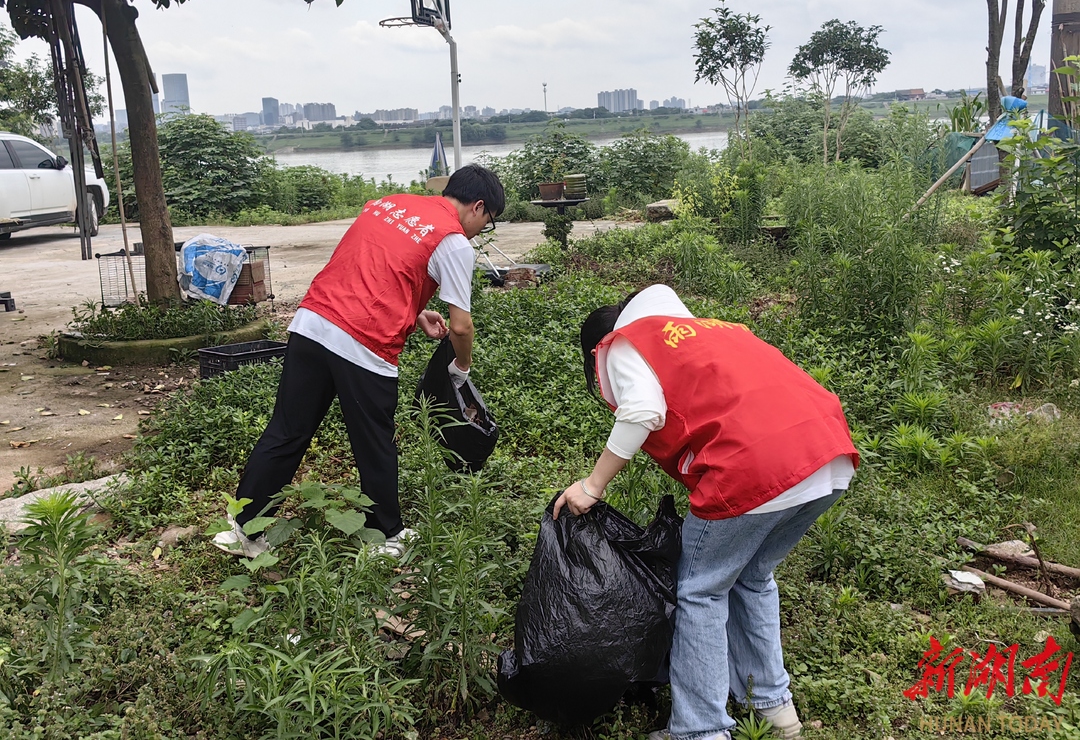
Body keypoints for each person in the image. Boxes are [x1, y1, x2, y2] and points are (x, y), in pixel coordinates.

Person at [554, 284, 859, 740]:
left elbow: (641, 410)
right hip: (828, 456)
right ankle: (773, 705)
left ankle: (701, 730)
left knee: (701, 590)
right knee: (753, 576)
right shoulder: (719, 331)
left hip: (754, 468)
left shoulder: (627, 342)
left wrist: (591, 486)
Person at [214, 164, 505, 560]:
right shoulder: (453, 242)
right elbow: (461, 325)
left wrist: (415, 312)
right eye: (486, 222)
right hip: (365, 342)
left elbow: (373, 266)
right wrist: (462, 368)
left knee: (287, 430)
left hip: (313, 323)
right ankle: (385, 538)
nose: (478, 230)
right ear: (478, 207)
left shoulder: (388, 204)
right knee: (375, 442)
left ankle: (243, 531)